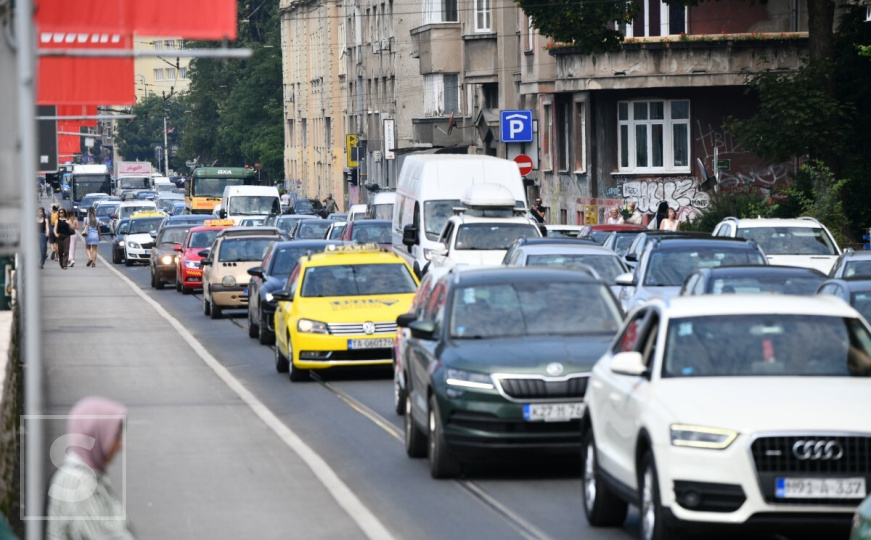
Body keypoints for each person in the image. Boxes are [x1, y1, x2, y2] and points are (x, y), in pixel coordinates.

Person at [46, 396, 135, 540]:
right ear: (95, 434)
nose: (120, 446)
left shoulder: (84, 476)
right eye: (116, 437)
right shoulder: (80, 487)